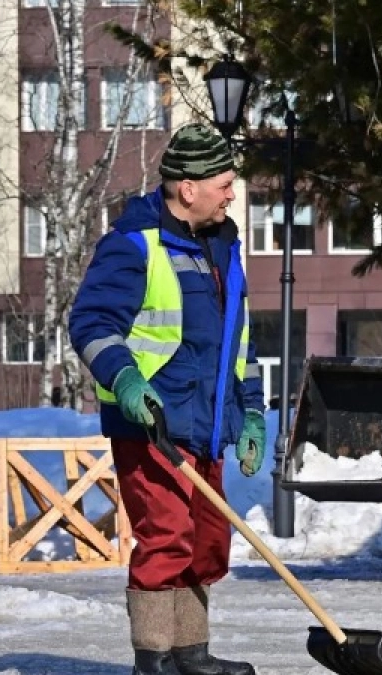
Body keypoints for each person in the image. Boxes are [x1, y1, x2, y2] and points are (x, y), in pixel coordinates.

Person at [68, 122, 265, 675]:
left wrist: (250, 411)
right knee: (166, 538)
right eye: (225, 183)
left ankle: (191, 653)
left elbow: (238, 343)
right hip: (152, 421)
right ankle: (153, 659)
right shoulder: (133, 245)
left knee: (206, 541)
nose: (232, 194)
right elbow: (92, 322)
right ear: (188, 188)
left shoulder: (222, 248)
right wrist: (127, 383)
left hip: (207, 423)